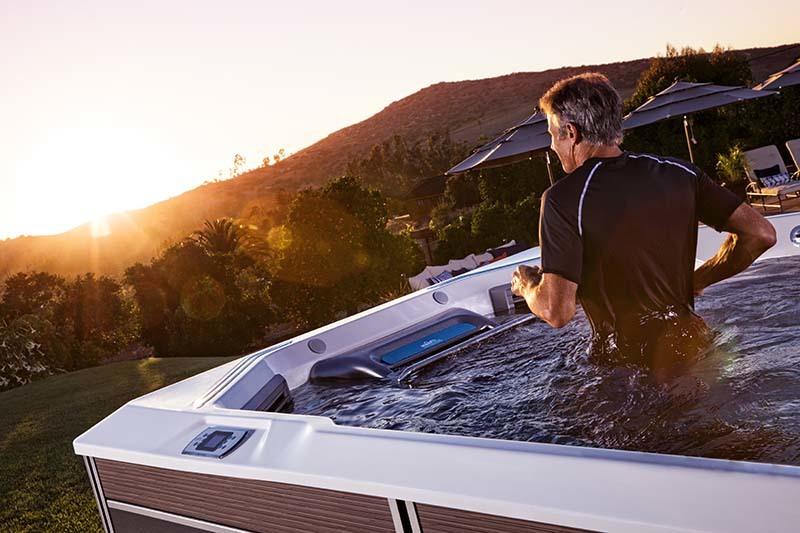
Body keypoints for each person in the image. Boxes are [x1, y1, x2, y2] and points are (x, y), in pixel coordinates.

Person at [511, 73, 776, 372]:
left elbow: (556, 311)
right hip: (696, 344)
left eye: (551, 134)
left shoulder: (564, 199)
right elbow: (761, 233)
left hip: (629, 367)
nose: (551, 146)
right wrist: (698, 280)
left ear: (571, 133)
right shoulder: (680, 173)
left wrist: (528, 285)